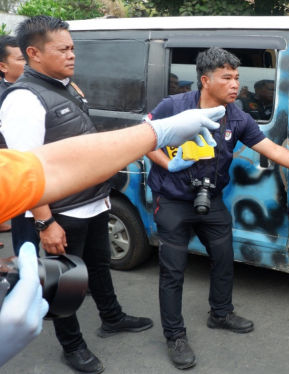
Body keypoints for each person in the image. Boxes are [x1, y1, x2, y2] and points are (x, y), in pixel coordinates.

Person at [145, 47, 289, 370]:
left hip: (212, 199)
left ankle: (220, 313)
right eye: (227, 78)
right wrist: (169, 164)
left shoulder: (237, 116)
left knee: (223, 260)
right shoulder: (174, 106)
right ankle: (175, 336)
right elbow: (145, 137)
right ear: (205, 81)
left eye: (236, 77)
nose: (235, 84)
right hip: (173, 200)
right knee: (173, 271)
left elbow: (273, 149)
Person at [0, 16, 156, 374]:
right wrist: (46, 223)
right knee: (65, 281)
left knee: (99, 268)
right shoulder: (24, 99)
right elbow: (28, 172)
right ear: (34, 53)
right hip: (61, 212)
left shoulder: (64, 85)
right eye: (63, 49)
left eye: (73, 47)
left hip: (92, 202)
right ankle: (73, 346)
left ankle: (112, 317)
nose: (72, 55)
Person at [0, 35, 38, 255]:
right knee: (26, 241)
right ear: (3, 66)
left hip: (43, 171)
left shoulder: (39, 87)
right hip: (15, 174)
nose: (28, 63)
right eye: (21, 59)